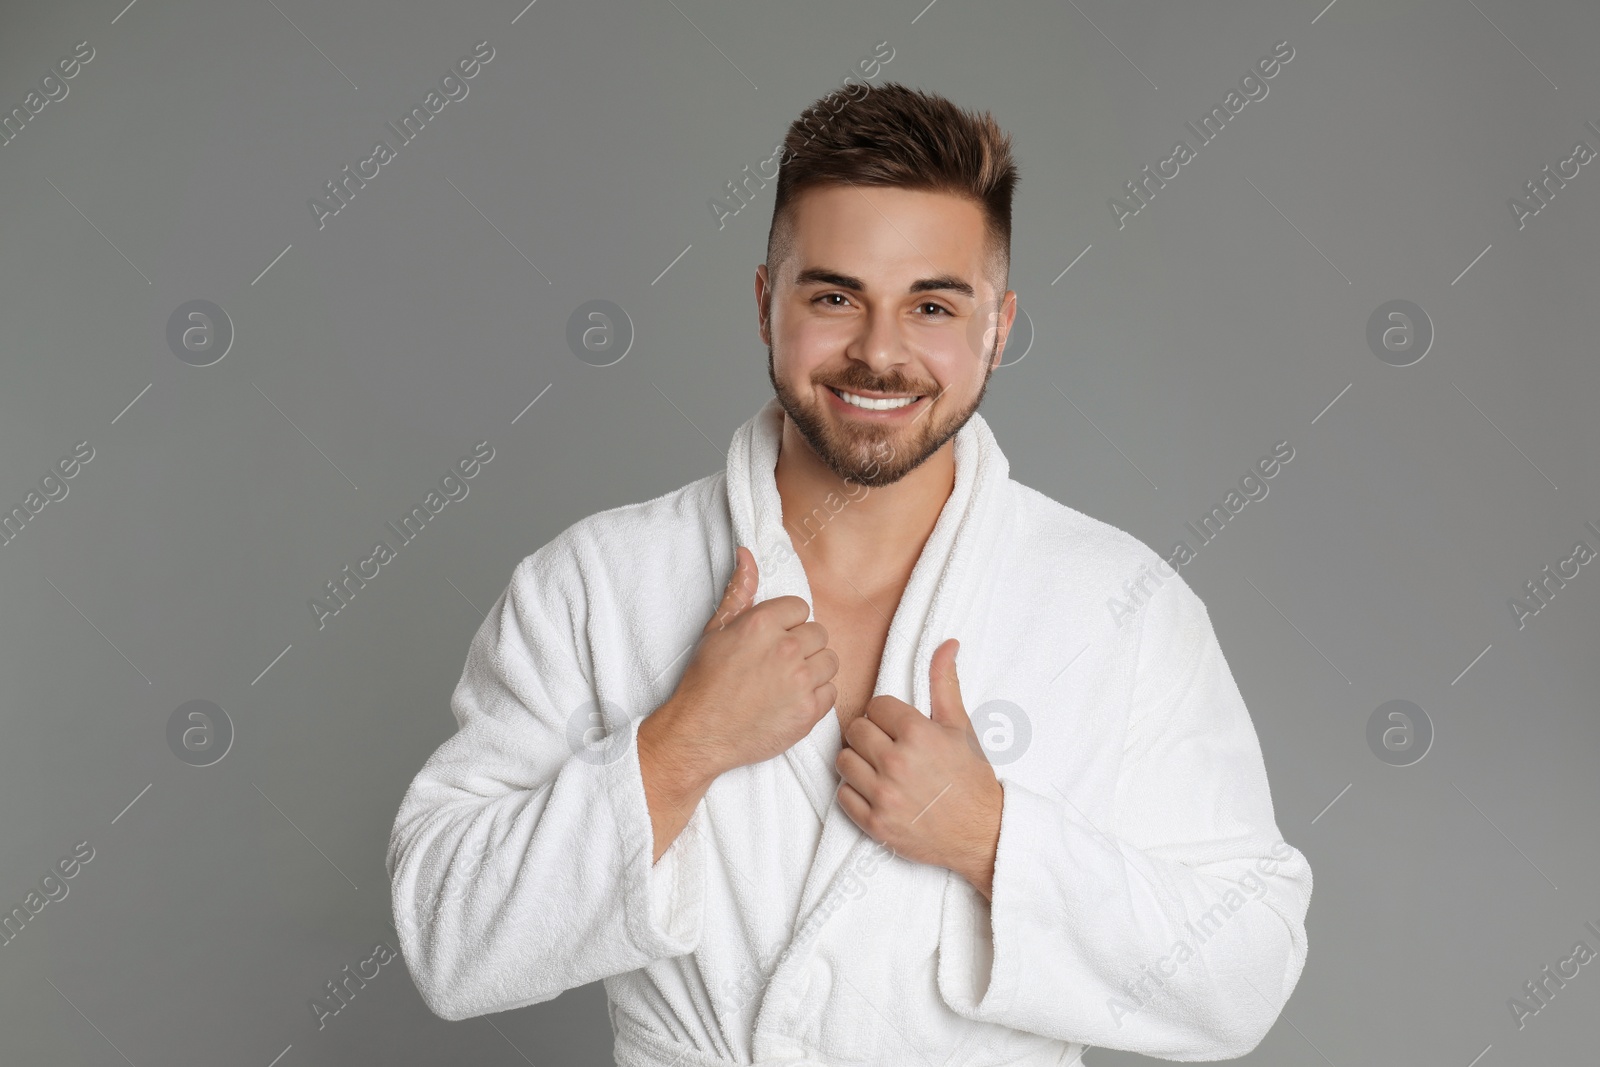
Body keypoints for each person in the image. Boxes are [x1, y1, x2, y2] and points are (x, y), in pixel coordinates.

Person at [387, 82, 1312, 1067]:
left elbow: (1243, 974)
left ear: (996, 328)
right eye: (834, 297)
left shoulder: (1121, 609)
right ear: (763, 304)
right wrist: (675, 749)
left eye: (931, 305)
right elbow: (450, 941)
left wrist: (993, 838)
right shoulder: (594, 584)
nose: (878, 351)